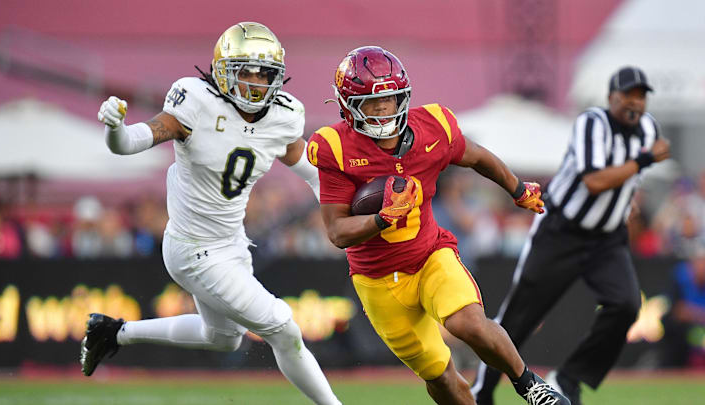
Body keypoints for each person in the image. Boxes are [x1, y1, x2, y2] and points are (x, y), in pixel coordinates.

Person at [80, 22, 341, 405]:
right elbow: (134, 141)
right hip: (192, 247)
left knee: (223, 339)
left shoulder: (282, 116)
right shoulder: (197, 103)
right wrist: (114, 129)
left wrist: (343, 206)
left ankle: (112, 333)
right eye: (245, 72)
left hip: (232, 242)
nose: (255, 82)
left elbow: (312, 174)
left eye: (264, 74)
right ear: (222, 72)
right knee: (285, 329)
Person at [307, 46, 569, 405]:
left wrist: (518, 188)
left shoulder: (432, 126)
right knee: (441, 377)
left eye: (390, 101)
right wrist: (382, 218)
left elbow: (478, 157)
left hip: (430, 254)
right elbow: (336, 232)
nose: (383, 111)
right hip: (378, 281)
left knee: (469, 324)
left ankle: (530, 386)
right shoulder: (334, 147)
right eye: (372, 104)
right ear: (348, 105)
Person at [472, 66, 671, 405]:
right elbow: (594, 181)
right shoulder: (592, 124)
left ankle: (569, 377)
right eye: (628, 95)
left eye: (641, 95)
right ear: (612, 98)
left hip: (607, 238)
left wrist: (626, 201)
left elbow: (624, 180)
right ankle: (483, 391)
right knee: (520, 318)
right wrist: (644, 160)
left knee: (624, 306)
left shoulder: (647, 129)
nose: (634, 102)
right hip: (562, 231)